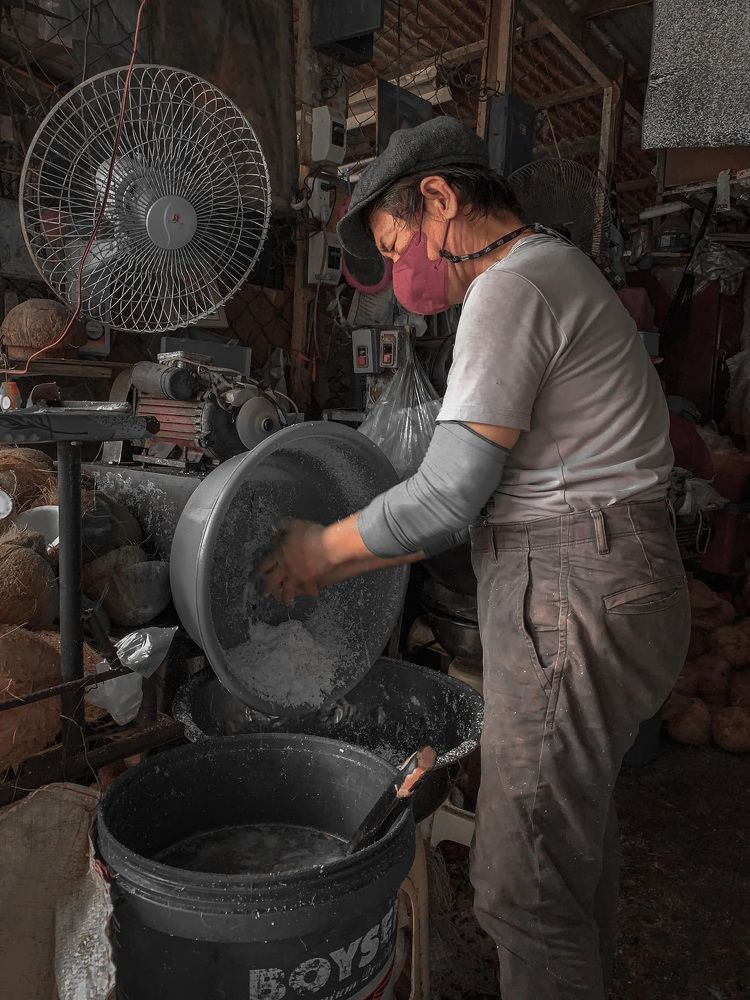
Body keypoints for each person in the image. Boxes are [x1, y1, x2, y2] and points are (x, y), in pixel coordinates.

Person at [260, 116, 690, 1000]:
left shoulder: (511, 286)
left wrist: (321, 550)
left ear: (439, 199)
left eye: (396, 245)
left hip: (573, 586)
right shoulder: (558, 269)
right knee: (568, 850)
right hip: (617, 574)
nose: (402, 275)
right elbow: (475, 487)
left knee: (521, 889)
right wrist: (350, 553)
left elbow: (449, 494)